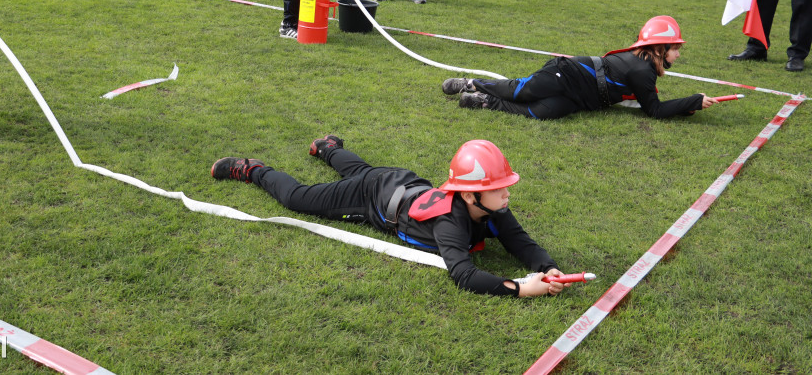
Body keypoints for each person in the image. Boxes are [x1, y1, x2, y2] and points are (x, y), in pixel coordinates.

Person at [211, 137, 568, 298]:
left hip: (399, 181)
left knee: (362, 170)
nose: (507, 193)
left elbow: (520, 241)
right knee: (297, 198)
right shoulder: (451, 222)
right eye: (499, 187)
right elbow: (463, 275)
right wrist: (520, 288)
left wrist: (547, 267)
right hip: (371, 198)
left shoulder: (493, 207)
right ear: (471, 193)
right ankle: (253, 169)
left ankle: (328, 147)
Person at [443, 16, 718, 120]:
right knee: (523, 91)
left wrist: (689, 106)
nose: (678, 54)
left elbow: (653, 105)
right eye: (676, 48)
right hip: (567, 73)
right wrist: (693, 100)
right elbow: (654, 110)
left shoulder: (644, 65)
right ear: (661, 47)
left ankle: (484, 102)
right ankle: (470, 83)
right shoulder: (642, 69)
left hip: (581, 98)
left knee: (542, 113)